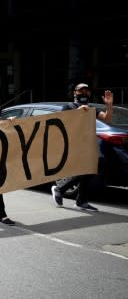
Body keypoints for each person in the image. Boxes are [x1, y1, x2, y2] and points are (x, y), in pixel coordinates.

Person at [51, 83, 114, 211]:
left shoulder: (92, 108)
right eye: (81, 91)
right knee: (86, 168)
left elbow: (107, 119)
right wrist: (77, 112)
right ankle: (65, 191)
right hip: (73, 144)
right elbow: (60, 121)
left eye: (86, 91)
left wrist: (109, 104)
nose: (84, 93)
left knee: (97, 165)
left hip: (88, 143)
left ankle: (78, 198)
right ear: (75, 93)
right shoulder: (68, 106)